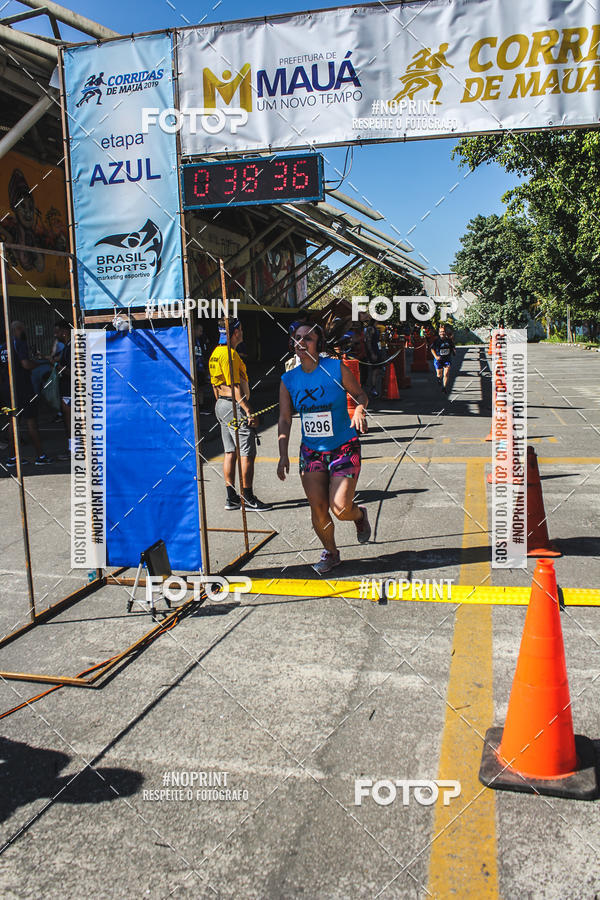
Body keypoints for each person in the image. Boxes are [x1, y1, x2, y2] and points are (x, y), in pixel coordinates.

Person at [277, 322, 371, 575]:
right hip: (312, 452)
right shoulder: (288, 379)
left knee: (340, 508)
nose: (301, 342)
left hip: (343, 446)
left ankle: (359, 516)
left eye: (308, 338)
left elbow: (361, 395)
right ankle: (331, 552)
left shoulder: (335, 368)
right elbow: (285, 418)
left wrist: (360, 409)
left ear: (318, 343)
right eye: (297, 338)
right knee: (318, 508)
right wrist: (283, 452)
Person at [208, 317, 271, 511]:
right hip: (234, 406)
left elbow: (215, 385)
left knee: (230, 451)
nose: (243, 332)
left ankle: (231, 497)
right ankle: (248, 496)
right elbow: (236, 387)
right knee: (247, 452)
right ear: (235, 332)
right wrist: (249, 411)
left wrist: (221, 405)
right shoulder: (230, 355)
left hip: (222, 405)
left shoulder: (215, 354)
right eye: (241, 329)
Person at [6, 322, 49, 466]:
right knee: (31, 422)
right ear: (17, 330)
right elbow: (25, 364)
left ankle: (12, 458)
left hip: (8, 389)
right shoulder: (19, 343)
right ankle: (40, 456)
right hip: (23, 388)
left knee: (13, 423)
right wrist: (38, 363)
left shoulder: (3, 347)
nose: (24, 331)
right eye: (23, 328)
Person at [431, 323, 456, 393]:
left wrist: (454, 352)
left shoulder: (449, 340)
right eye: (441, 332)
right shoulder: (436, 341)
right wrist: (436, 357)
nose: (442, 333)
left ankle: (444, 387)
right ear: (439, 333)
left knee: (446, 373)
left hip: (447, 359)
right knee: (439, 374)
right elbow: (432, 349)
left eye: (443, 332)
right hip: (439, 359)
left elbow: (452, 347)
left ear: (445, 333)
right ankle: (439, 379)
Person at [193, 321, 210, 409]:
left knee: (201, 387)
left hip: (200, 367)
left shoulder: (201, 340)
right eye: (200, 331)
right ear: (194, 330)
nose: (201, 333)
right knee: (196, 387)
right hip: (194, 368)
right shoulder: (191, 340)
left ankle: (202, 405)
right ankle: (197, 406)